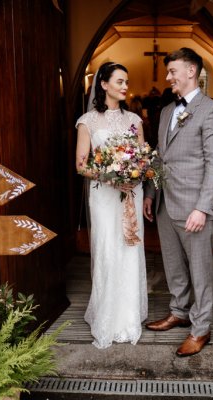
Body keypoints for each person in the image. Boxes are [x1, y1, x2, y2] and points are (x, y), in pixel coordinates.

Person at [143, 48, 213, 357]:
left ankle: (200, 329)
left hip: (196, 208)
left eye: (173, 72)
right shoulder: (166, 110)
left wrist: (202, 208)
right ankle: (178, 311)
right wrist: (151, 195)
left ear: (191, 71)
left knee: (201, 271)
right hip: (167, 203)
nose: (168, 78)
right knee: (173, 265)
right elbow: (158, 156)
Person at [75, 62, 148, 349]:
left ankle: (128, 315)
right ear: (103, 84)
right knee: (107, 248)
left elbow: (142, 158)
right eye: (119, 81)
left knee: (130, 249)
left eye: (126, 81)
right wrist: (110, 176)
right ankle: (107, 315)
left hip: (131, 193)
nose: (125, 86)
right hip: (105, 196)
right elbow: (81, 165)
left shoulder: (134, 120)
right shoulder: (88, 121)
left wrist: (133, 173)